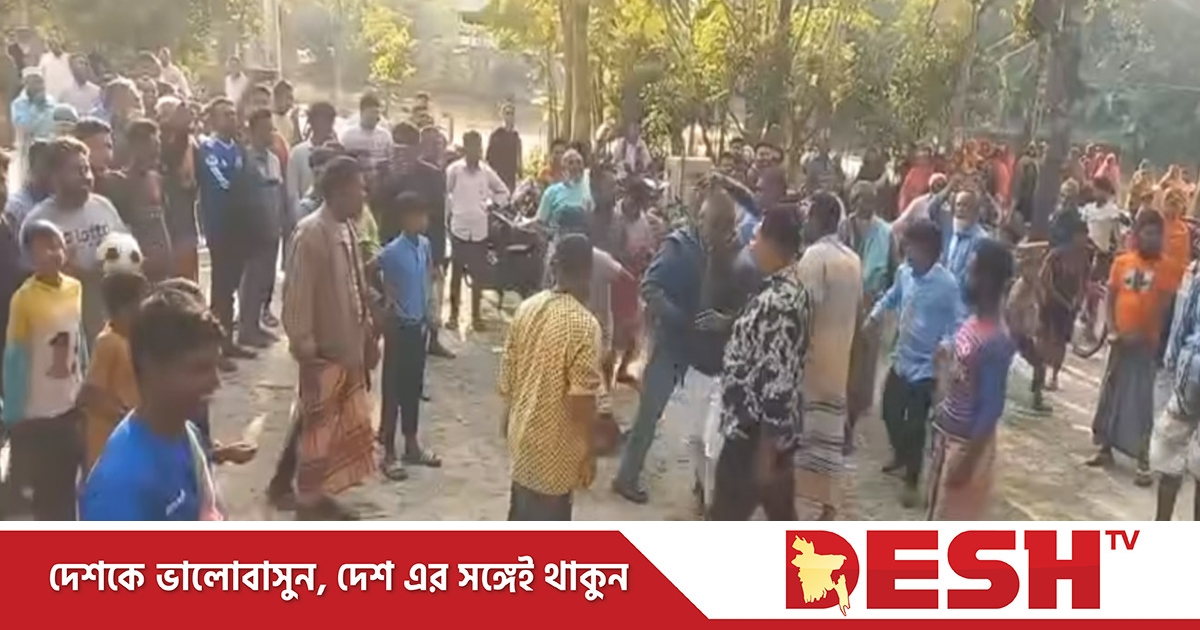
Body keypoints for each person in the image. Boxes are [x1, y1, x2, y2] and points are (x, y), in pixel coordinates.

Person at [614, 185, 747, 504]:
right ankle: (626, 477)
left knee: (705, 427)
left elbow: (743, 300)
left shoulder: (730, 253)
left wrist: (725, 320)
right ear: (702, 221)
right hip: (674, 343)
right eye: (717, 226)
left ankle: (703, 485)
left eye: (728, 228)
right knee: (650, 412)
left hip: (708, 352)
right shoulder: (679, 248)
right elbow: (650, 287)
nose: (724, 235)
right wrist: (680, 318)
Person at [80, 286, 254, 520]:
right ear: (151, 368)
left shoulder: (185, 432)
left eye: (214, 367)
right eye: (199, 369)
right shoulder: (118, 488)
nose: (216, 383)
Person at [280, 156, 380, 520]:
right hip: (323, 355)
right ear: (339, 190)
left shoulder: (347, 228)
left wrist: (367, 335)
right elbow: (297, 298)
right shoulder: (311, 233)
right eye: (359, 188)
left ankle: (315, 494)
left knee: (330, 434)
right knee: (316, 436)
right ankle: (308, 507)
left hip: (347, 351)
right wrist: (306, 349)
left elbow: (355, 288)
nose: (364, 195)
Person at [707, 206, 809, 521]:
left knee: (724, 519)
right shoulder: (781, 288)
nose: (752, 245)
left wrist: (766, 451)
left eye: (757, 238)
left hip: (753, 435)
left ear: (773, 243)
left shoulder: (779, 303)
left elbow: (779, 381)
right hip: (759, 431)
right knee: (781, 515)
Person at [499, 233, 601, 520]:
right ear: (589, 272)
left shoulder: (527, 308)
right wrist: (589, 450)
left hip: (522, 437)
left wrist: (509, 421)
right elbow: (581, 401)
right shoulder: (585, 325)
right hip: (556, 451)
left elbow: (508, 374)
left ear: (554, 267)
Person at [865, 218, 965, 508]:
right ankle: (900, 454)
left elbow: (958, 324)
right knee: (889, 411)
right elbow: (892, 297)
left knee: (915, 425)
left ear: (931, 251)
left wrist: (947, 345)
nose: (908, 252)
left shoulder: (947, 285)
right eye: (907, 246)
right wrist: (874, 316)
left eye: (914, 248)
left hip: (926, 367)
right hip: (902, 359)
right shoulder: (904, 273)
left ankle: (912, 480)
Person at [926, 238, 1016, 521]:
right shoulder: (973, 322)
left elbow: (991, 409)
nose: (966, 276)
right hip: (948, 442)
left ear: (987, 280)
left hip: (966, 448)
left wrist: (966, 463)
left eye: (972, 270)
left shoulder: (995, 340)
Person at [2, 220, 86, 520]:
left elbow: (79, 338)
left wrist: (84, 380)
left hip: (69, 404)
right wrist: (14, 414)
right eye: (42, 248)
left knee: (68, 482)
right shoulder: (24, 299)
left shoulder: (74, 288)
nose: (52, 253)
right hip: (37, 412)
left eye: (56, 245)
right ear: (28, 256)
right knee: (45, 491)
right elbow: (15, 357)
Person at [788, 188, 861, 512]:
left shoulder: (815, 258)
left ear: (818, 219)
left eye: (808, 217)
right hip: (839, 362)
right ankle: (828, 506)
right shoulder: (852, 259)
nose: (804, 224)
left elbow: (803, 312)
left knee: (804, 438)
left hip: (812, 365)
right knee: (829, 440)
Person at [1089, 209, 1172, 486]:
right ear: (1137, 235)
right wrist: (1112, 329)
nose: (1153, 238)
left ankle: (1142, 460)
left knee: (1141, 402)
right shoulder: (1122, 262)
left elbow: (1165, 310)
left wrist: (1148, 336)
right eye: (1147, 233)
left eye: (1157, 233)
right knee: (1111, 394)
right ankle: (1104, 447)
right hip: (1120, 342)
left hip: (1146, 346)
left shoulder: (1167, 269)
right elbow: (1111, 297)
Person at [23, 137, 128, 351]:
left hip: (107, 323)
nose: (86, 176)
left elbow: (125, 253)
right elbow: (33, 279)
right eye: (76, 170)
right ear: (55, 176)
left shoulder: (104, 207)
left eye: (86, 169)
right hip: (61, 333)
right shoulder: (38, 221)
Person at [371, 191, 439, 480]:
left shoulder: (424, 245)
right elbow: (367, 271)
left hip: (418, 325)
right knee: (393, 390)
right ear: (404, 218)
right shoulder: (392, 251)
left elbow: (427, 277)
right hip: (398, 326)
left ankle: (411, 442)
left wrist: (431, 312)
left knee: (413, 387)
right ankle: (388, 450)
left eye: (424, 214)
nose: (422, 220)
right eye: (416, 215)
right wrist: (382, 299)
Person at [196, 98, 256, 367]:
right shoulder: (208, 149)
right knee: (220, 289)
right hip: (219, 225)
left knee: (231, 285)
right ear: (213, 119)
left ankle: (228, 341)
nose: (232, 118)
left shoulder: (240, 149)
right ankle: (213, 348)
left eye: (233, 114)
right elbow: (223, 183)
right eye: (225, 114)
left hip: (241, 226)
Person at [840, 182, 893, 446]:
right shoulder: (842, 227)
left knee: (863, 371)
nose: (868, 204)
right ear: (853, 201)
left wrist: (882, 306)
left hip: (872, 308)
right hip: (842, 305)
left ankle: (852, 424)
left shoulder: (886, 232)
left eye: (872, 199)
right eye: (863, 199)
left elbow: (892, 272)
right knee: (842, 367)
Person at [79, 271, 148, 470]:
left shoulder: (133, 340)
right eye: (142, 301)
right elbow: (90, 394)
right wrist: (124, 416)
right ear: (126, 308)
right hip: (108, 445)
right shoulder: (108, 342)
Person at [445, 130, 510, 332]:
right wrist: (450, 213)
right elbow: (445, 193)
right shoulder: (454, 170)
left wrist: (491, 205)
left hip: (480, 230)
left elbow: (503, 191)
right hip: (459, 229)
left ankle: (476, 317)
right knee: (456, 275)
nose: (476, 151)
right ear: (465, 149)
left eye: (478, 147)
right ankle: (453, 316)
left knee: (478, 276)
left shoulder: (486, 172)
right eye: (472, 147)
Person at [1151, 258, 1200, 520]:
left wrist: (1170, 363)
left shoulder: (1195, 273)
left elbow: (1181, 324)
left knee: (1171, 446)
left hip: (1191, 373)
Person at [236, 108, 285, 348]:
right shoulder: (244, 160)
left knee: (266, 279)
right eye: (265, 129)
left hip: (272, 228)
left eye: (271, 129)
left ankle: (256, 325)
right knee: (251, 281)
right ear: (253, 131)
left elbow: (279, 193)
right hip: (253, 231)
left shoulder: (274, 160)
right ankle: (246, 329)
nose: (270, 134)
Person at [101, 119, 173, 282]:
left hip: (163, 268)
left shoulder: (157, 179)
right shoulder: (117, 182)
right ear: (136, 147)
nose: (157, 153)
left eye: (158, 147)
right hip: (136, 269)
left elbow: (164, 221)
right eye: (152, 148)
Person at [607, 177, 661, 387]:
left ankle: (623, 369)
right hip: (613, 279)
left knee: (635, 329)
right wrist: (629, 259)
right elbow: (610, 251)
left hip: (633, 280)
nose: (638, 206)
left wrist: (647, 256)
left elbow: (649, 245)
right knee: (612, 331)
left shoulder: (643, 220)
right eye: (637, 200)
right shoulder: (614, 216)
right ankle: (606, 375)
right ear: (629, 196)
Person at [1038, 212, 1091, 391]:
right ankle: (1041, 371)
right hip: (1051, 302)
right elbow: (1044, 279)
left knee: (1061, 340)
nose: (1083, 239)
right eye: (1080, 235)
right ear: (1073, 236)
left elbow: (1084, 281)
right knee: (1046, 337)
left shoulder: (1084, 258)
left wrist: (1079, 301)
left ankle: (1054, 375)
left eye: (1085, 236)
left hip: (1069, 305)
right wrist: (1058, 298)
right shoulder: (1056, 255)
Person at [157, 96, 200, 281]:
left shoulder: (193, 145)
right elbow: (173, 160)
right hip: (168, 222)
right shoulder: (159, 145)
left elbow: (192, 180)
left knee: (189, 279)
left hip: (187, 220)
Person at [1007, 242, 1050, 412]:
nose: (1037, 271)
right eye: (1034, 267)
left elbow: (1042, 301)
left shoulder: (1032, 285)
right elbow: (1012, 311)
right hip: (1018, 334)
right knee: (1039, 365)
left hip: (1022, 334)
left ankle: (1035, 396)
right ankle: (1035, 399)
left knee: (1038, 364)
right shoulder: (1021, 288)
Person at [286, 101, 338, 231]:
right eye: (322, 120)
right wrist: (298, 218)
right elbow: (292, 191)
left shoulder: (337, 152)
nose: (327, 125)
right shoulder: (298, 152)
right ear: (312, 122)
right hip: (304, 215)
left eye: (330, 121)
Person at [1157, 188, 1193, 361]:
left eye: (1176, 206)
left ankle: (1159, 355)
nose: (1172, 210)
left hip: (1171, 284)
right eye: (1170, 205)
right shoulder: (1157, 224)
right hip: (1155, 280)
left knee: (1166, 321)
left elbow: (1184, 258)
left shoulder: (1183, 230)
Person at [537, 148, 593, 240]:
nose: (576, 166)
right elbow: (539, 223)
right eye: (571, 163)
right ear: (563, 169)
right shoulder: (551, 192)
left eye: (579, 162)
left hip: (585, 240)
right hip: (558, 241)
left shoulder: (590, 189)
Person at [941, 189, 988, 286]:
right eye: (958, 205)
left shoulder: (981, 240)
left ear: (975, 211)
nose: (960, 209)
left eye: (965, 205)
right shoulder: (952, 233)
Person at [5, 140, 52, 228]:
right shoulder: (16, 208)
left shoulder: (61, 205)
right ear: (32, 167)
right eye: (47, 165)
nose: (51, 171)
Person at [340, 93, 392, 171]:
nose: (375, 116)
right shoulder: (348, 135)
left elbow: (390, 160)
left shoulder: (385, 136)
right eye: (371, 113)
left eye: (377, 113)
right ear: (362, 113)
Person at [11, 68, 57, 156]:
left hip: (50, 147)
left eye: (41, 82)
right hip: (27, 149)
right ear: (26, 84)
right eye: (35, 82)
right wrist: (36, 107)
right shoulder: (18, 104)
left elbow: (54, 124)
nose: (40, 86)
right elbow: (24, 127)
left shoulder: (51, 101)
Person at [486, 101, 523, 191]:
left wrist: (520, 172)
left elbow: (519, 157)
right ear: (503, 115)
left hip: (511, 177)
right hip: (498, 175)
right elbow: (489, 157)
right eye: (507, 113)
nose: (509, 116)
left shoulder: (516, 137)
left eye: (511, 113)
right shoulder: (496, 135)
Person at [1082, 176, 1122, 255]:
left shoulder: (1112, 210)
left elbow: (1117, 236)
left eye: (1098, 190)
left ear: (1106, 192)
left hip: (1103, 252)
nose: (1095, 192)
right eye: (1094, 189)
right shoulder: (1088, 209)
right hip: (1087, 252)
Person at [59, 55, 100, 120]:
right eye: (80, 63)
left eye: (86, 64)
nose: (84, 66)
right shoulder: (64, 91)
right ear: (72, 67)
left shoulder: (96, 92)